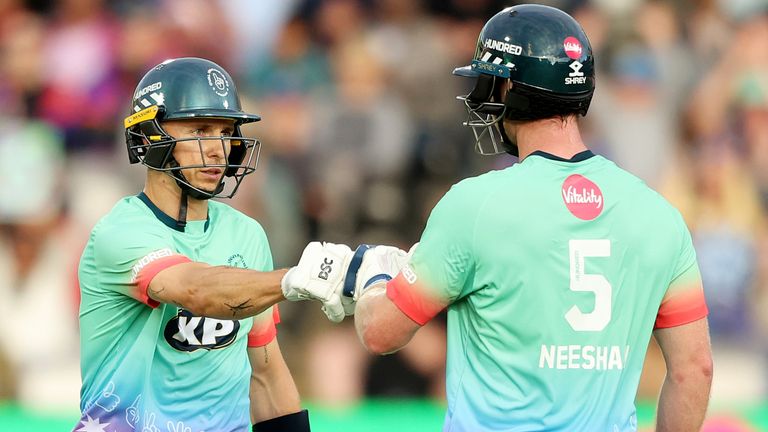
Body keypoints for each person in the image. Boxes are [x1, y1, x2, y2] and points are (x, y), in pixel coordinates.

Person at [345, 5, 713, 432]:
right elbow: (694, 371)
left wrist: (372, 279)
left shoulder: (475, 205)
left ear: (506, 88)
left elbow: (380, 334)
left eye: (488, 80)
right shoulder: (658, 214)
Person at [74, 57, 354, 432]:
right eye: (201, 130)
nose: (219, 150)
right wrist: (294, 279)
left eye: (225, 132)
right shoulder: (120, 232)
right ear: (149, 136)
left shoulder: (247, 234)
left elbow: (265, 374)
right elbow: (196, 289)